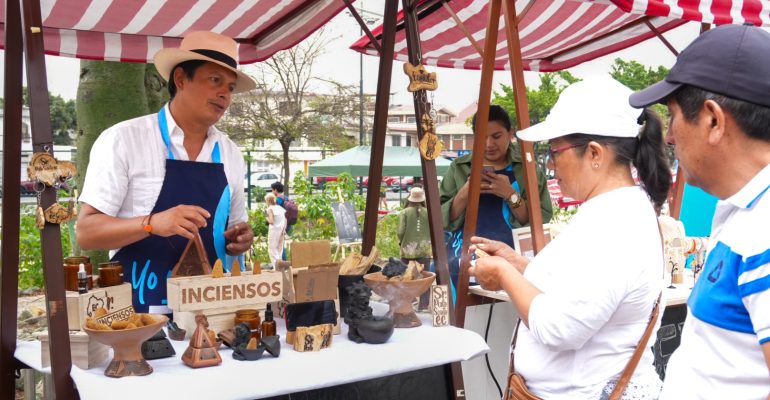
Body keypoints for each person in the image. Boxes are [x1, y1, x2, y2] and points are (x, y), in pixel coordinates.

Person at [469, 76, 671, 398]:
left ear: (594, 154)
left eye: (554, 151)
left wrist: (505, 275)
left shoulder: (618, 225)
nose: (551, 164)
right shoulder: (611, 211)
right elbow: (577, 290)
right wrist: (521, 265)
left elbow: (560, 327)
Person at [630, 25, 770, 400]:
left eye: (673, 117)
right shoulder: (745, 213)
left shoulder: (764, 229)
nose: (670, 137)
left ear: (712, 120)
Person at [76, 31, 255, 314]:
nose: (225, 94)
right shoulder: (124, 139)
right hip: (138, 316)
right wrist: (151, 223)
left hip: (210, 314)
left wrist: (240, 239)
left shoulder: (231, 153)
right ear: (181, 79)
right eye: (215, 80)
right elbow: (87, 232)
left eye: (231, 87)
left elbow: (235, 228)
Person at [439, 104, 553, 286]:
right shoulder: (459, 168)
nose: (489, 144)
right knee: (463, 312)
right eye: (481, 137)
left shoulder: (528, 170)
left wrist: (510, 194)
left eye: (496, 136)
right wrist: (465, 193)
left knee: (508, 310)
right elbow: (441, 220)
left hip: (514, 260)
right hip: (462, 259)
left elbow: (541, 221)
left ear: (510, 133)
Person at [398, 187, 432, 269]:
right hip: (425, 249)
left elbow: (400, 232)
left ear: (410, 198)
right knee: (424, 275)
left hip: (407, 250)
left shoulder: (404, 212)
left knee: (407, 275)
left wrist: (401, 242)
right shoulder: (429, 212)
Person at [265, 193, 287, 266]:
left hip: (274, 231)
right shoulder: (280, 208)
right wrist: (284, 230)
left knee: (272, 249)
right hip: (282, 230)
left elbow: (271, 221)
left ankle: (276, 266)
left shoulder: (270, 209)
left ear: (268, 201)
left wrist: (266, 217)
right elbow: (285, 220)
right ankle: (281, 265)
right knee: (279, 249)